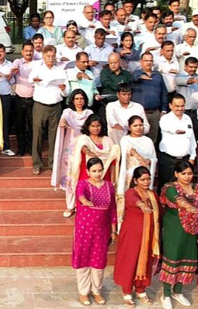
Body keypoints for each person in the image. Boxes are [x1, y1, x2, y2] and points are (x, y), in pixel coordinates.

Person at [158, 161, 198, 309]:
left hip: (192, 228)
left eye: (190, 173)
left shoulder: (196, 188)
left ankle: (177, 291)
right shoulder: (170, 188)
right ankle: (165, 294)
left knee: (187, 257)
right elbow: (177, 199)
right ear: (176, 174)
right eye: (183, 173)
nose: (187, 177)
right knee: (173, 257)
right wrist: (189, 207)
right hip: (174, 226)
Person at [72, 157, 117, 306]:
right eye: (94, 171)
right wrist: (84, 201)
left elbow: (113, 210)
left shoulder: (109, 186)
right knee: (83, 259)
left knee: (98, 261)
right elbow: (80, 194)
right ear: (87, 171)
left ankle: (96, 291)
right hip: (84, 229)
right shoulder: (83, 184)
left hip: (102, 230)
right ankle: (83, 291)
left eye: (100, 170)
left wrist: (113, 230)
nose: (97, 174)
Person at [113, 166, 159, 306]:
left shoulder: (152, 194)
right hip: (132, 236)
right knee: (130, 261)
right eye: (143, 179)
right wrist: (141, 205)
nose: (146, 182)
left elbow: (160, 211)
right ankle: (127, 292)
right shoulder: (131, 192)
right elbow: (132, 199)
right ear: (135, 180)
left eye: (148, 179)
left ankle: (141, 289)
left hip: (149, 235)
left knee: (146, 261)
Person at [52, 90, 93, 217]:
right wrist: (63, 123)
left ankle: (83, 204)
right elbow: (63, 120)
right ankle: (70, 206)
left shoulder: (89, 113)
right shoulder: (68, 112)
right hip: (70, 150)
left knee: (84, 176)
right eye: (76, 99)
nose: (79, 101)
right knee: (70, 177)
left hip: (85, 148)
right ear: (72, 100)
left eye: (81, 98)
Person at [29, 46, 67, 175]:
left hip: (55, 106)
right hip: (40, 105)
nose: (50, 59)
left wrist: (63, 88)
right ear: (43, 57)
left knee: (55, 136)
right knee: (38, 135)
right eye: (48, 56)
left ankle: (53, 163)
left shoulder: (60, 71)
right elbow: (30, 79)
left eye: (52, 56)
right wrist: (35, 80)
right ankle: (37, 163)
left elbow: (66, 91)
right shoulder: (38, 69)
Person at [157, 94, 196, 188]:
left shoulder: (188, 118)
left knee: (183, 188)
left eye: (182, 106)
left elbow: (191, 139)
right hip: (168, 160)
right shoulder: (165, 119)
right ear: (170, 106)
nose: (180, 108)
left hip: (184, 159)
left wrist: (192, 156)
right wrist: (176, 131)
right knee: (165, 187)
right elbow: (166, 127)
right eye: (177, 106)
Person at [132, 52, 168, 141]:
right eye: (146, 61)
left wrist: (163, 110)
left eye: (150, 61)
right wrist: (141, 77)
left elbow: (164, 92)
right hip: (140, 114)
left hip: (155, 113)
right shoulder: (136, 73)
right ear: (141, 62)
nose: (148, 63)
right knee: (138, 139)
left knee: (153, 139)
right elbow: (134, 78)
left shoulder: (157, 75)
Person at [118, 116, 156, 200]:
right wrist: (138, 157)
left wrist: (149, 161)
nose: (138, 128)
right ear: (129, 127)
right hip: (130, 175)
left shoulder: (148, 141)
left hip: (145, 174)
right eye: (135, 126)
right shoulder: (125, 139)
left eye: (140, 125)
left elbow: (154, 158)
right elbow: (129, 150)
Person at [10, 43, 36, 156]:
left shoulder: (38, 64)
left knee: (31, 125)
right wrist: (14, 71)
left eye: (31, 50)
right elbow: (13, 69)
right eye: (26, 51)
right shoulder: (18, 62)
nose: (28, 53)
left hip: (33, 98)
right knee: (19, 124)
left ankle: (30, 148)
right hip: (19, 98)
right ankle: (21, 148)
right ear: (22, 52)